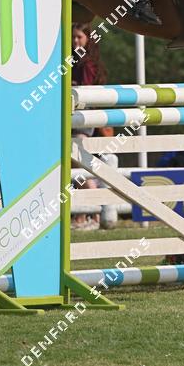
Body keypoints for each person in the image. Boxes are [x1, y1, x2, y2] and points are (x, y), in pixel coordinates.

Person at [70, 24, 107, 229]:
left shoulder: (87, 64)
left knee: (80, 164)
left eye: (79, 37)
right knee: (77, 166)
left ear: (88, 39)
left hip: (83, 119)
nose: (75, 41)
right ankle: (84, 215)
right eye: (73, 38)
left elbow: (84, 93)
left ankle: (96, 212)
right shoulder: (77, 60)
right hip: (76, 117)